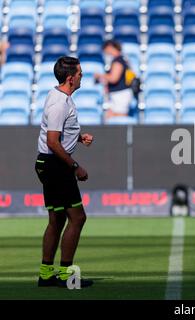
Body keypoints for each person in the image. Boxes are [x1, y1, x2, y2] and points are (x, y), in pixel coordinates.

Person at [35, 56, 94, 288]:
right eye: (80, 73)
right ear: (70, 78)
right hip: (55, 165)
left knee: (57, 220)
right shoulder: (60, 103)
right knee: (78, 218)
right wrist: (75, 166)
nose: (82, 76)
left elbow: (57, 133)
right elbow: (52, 141)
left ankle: (46, 273)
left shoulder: (60, 97)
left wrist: (78, 137)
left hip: (50, 164)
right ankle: (65, 274)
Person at [94, 39, 134, 119]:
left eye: (106, 49)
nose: (106, 52)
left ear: (110, 47)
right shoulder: (123, 59)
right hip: (119, 93)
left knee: (119, 117)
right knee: (109, 116)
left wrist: (100, 76)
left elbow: (114, 78)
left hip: (120, 94)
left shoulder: (118, 61)